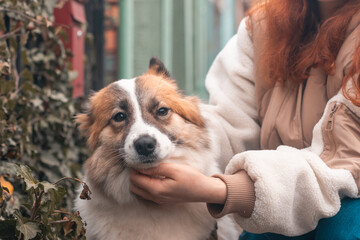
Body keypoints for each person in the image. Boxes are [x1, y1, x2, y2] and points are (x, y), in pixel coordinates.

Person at [129, 0, 360, 239]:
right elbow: (230, 123)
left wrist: (219, 190)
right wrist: (167, 140)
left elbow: (345, 164)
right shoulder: (264, 26)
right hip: (282, 203)